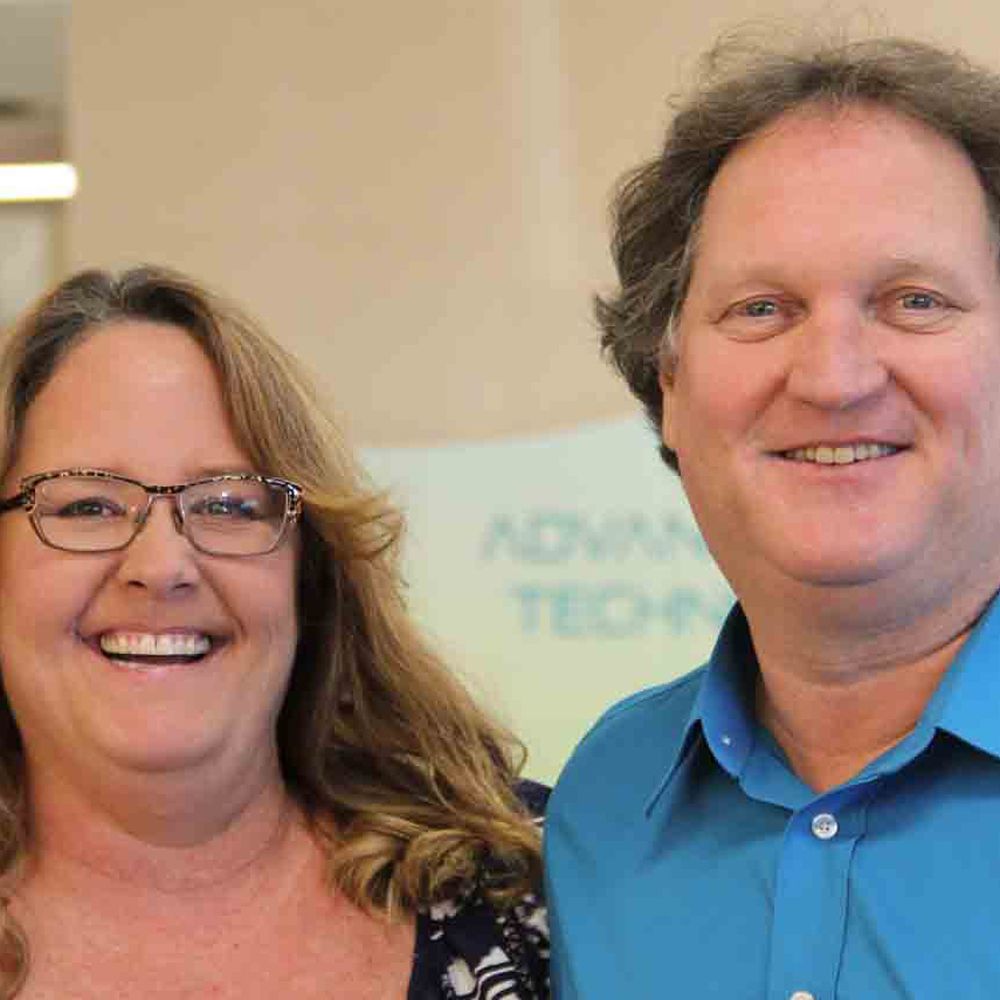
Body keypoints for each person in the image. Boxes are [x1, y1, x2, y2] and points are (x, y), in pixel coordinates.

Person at [545, 32, 1000, 999]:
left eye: (914, 301)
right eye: (761, 309)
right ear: (670, 382)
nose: (834, 378)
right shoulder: (605, 805)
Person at [0, 265, 549, 999]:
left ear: (309, 570)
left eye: (227, 506)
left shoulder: (544, 890)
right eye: (87, 507)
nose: (161, 567)